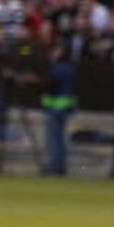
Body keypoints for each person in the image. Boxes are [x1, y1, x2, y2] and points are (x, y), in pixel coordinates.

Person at [41, 43, 77, 176]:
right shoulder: (70, 68)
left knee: (53, 138)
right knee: (61, 138)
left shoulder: (57, 69)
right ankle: (60, 166)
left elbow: (50, 86)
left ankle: (54, 166)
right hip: (67, 107)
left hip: (55, 106)